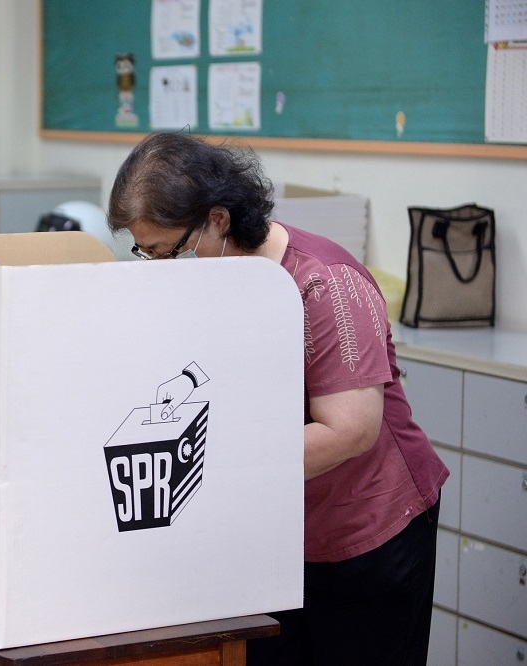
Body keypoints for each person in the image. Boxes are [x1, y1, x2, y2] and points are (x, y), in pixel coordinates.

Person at [107, 132, 449, 666]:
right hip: (279, 533)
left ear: (217, 220)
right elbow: (232, 364)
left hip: (366, 531)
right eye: (144, 253)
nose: (161, 268)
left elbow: (351, 429)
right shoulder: (218, 274)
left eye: (166, 251)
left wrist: (214, 467)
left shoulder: (325, 284)